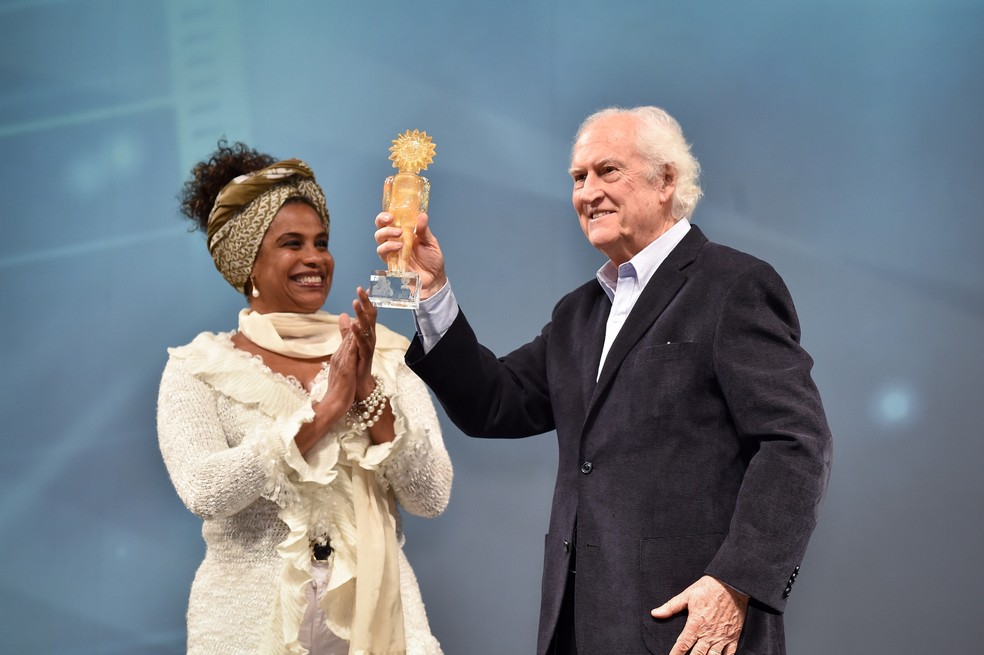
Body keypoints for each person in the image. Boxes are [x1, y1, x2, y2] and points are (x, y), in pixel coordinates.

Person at [374, 106, 832, 655]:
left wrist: (735, 583)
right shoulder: (578, 314)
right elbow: (494, 404)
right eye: (577, 178)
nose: (587, 192)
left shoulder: (733, 286)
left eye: (607, 171)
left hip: (691, 628)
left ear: (666, 180)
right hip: (579, 627)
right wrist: (432, 292)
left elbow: (796, 444)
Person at [158, 141, 452, 655]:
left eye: (321, 241)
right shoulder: (197, 367)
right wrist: (321, 413)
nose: (314, 257)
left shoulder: (379, 353)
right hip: (247, 626)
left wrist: (367, 396)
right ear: (248, 263)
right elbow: (204, 491)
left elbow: (431, 496)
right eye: (292, 244)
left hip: (377, 617)